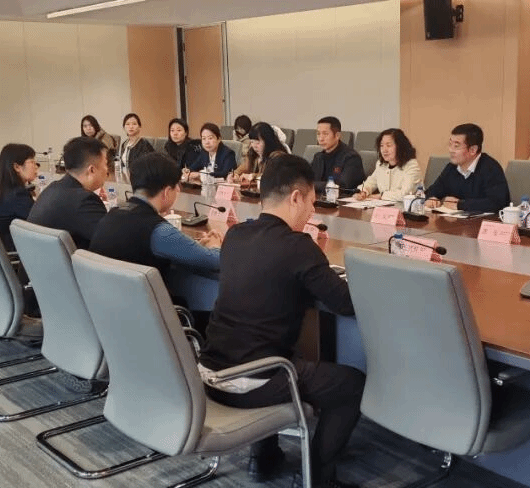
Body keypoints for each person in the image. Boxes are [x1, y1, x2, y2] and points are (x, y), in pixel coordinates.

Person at [200, 153, 364, 488]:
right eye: (312, 203)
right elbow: (346, 302)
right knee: (351, 385)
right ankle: (319, 477)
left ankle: (263, 457)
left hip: (210, 373)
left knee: (273, 347)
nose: (312, 212)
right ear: (296, 197)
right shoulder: (298, 246)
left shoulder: (236, 235)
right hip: (252, 383)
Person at [89, 152, 222, 282]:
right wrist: (215, 245)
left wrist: (194, 248)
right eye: (177, 186)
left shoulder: (111, 215)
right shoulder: (159, 231)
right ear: (167, 192)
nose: (178, 190)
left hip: (101, 293)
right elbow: (216, 261)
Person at [27, 137, 108, 249]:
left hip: (36, 258)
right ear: (92, 170)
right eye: (106, 164)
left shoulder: (53, 188)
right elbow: (113, 242)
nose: (107, 170)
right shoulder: (84, 201)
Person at [425, 123, 510, 212]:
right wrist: (432, 198)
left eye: (456, 146)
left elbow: (497, 203)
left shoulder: (491, 168)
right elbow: (432, 190)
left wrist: (460, 205)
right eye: (450, 144)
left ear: (473, 150)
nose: (451, 150)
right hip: (455, 219)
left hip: (484, 220)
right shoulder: (452, 167)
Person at [355, 128, 421, 202]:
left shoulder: (412, 165)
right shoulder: (381, 164)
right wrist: (363, 192)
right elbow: (371, 182)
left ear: (400, 146)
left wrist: (381, 196)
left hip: (406, 207)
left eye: (388, 145)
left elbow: (405, 194)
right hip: (384, 206)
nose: (384, 150)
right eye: (381, 145)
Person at [311, 116, 365, 194]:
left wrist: (311, 185)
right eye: (318, 134)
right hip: (320, 198)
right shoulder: (318, 157)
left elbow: (342, 187)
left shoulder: (351, 158)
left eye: (325, 134)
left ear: (337, 136)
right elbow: (307, 179)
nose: (320, 138)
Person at [0, 144, 38, 251]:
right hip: (20, 253)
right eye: (32, 162)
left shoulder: (6, 191)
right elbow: (40, 222)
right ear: (17, 167)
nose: (36, 166)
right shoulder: (18, 195)